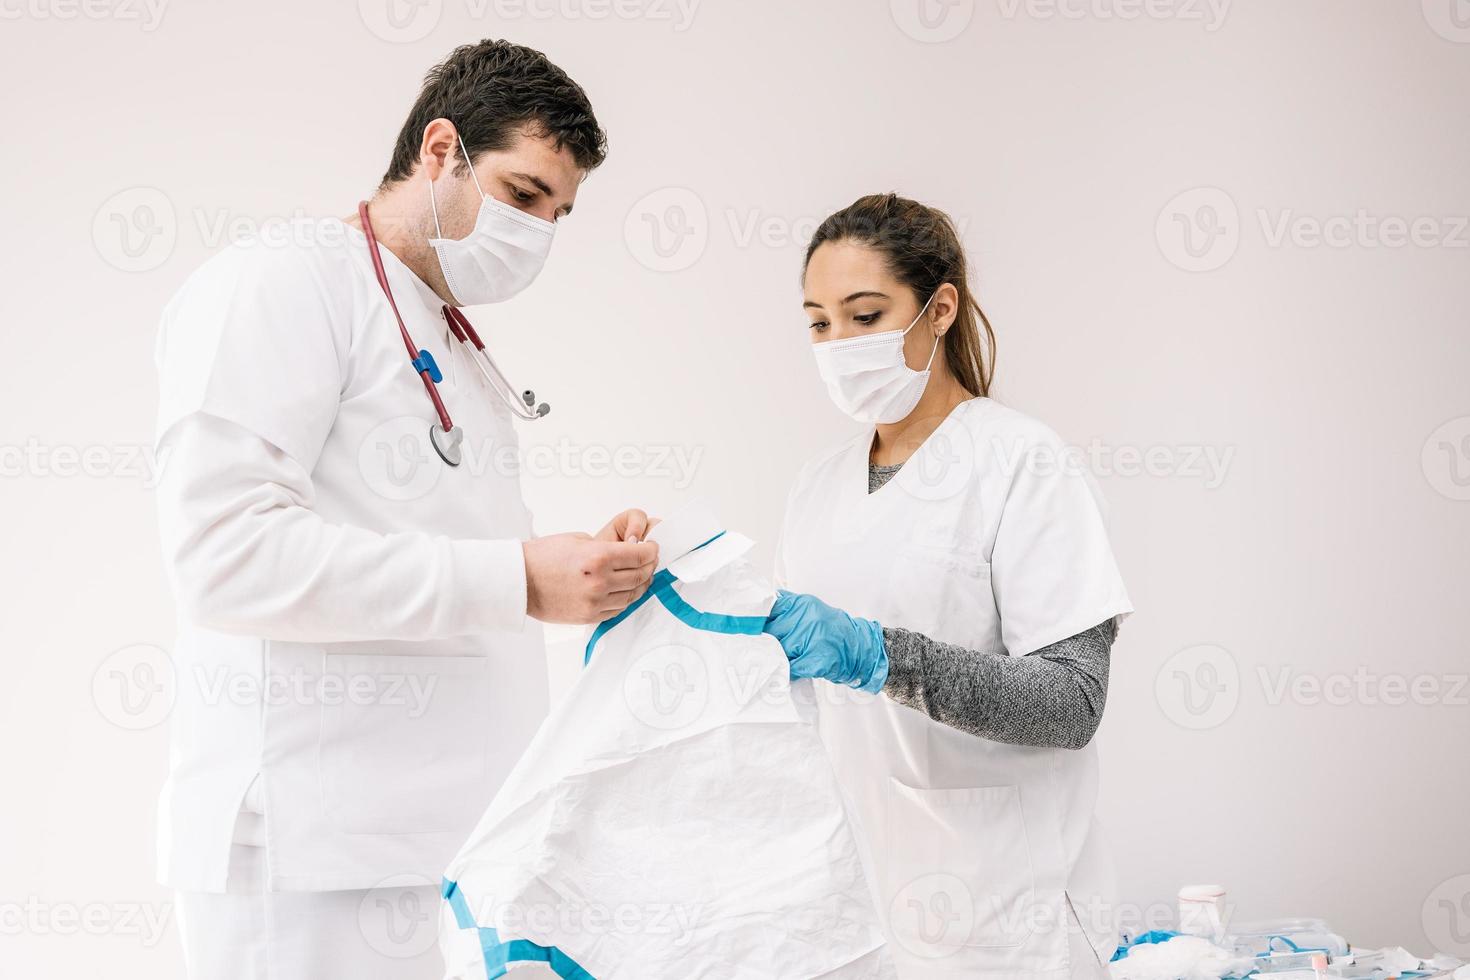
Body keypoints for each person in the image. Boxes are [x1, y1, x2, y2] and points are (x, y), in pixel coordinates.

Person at [152, 40, 657, 980]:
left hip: (433, 850)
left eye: (559, 212)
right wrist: (518, 576)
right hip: (308, 854)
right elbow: (224, 556)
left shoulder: (443, 332)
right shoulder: (284, 282)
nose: (540, 230)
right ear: (439, 149)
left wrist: (574, 569)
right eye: (523, 192)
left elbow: (449, 556)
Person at [766, 193, 1133, 978]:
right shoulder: (817, 486)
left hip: (1005, 915)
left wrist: (880, 657)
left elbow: (1073, 702)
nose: (837, 345)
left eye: (865, 317)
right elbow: (791, 692)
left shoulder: (1023, 463)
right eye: (819, 323)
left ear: (938, 310)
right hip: (867, 908)